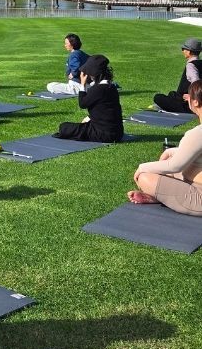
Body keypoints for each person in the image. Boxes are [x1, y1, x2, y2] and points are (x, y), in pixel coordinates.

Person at [129, 79, 202, 216]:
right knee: (168, 167)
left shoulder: (197, 133)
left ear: (196, 102)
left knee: (145, 177)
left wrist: (141, 168)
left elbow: (174, 166)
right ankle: (162, 196)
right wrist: (171, 151)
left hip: (198, 196)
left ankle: (159, 197)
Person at [55, 54, 123, 142]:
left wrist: (82, 85)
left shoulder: (97, 89)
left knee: (64, 127)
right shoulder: (111, 87)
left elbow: (82, 104)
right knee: (81, 126)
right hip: (118, 133)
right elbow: (104, 109)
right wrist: (89, 117)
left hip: (103, 134)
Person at [153, 38, 202, 113]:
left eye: (183, 49)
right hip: (192, 100)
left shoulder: (191, 65)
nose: (183, 51)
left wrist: (191, 97)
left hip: (188, 105)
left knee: (158, 97)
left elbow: (196, 83)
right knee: (172, 94)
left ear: (189, 51)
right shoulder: (199, 63)